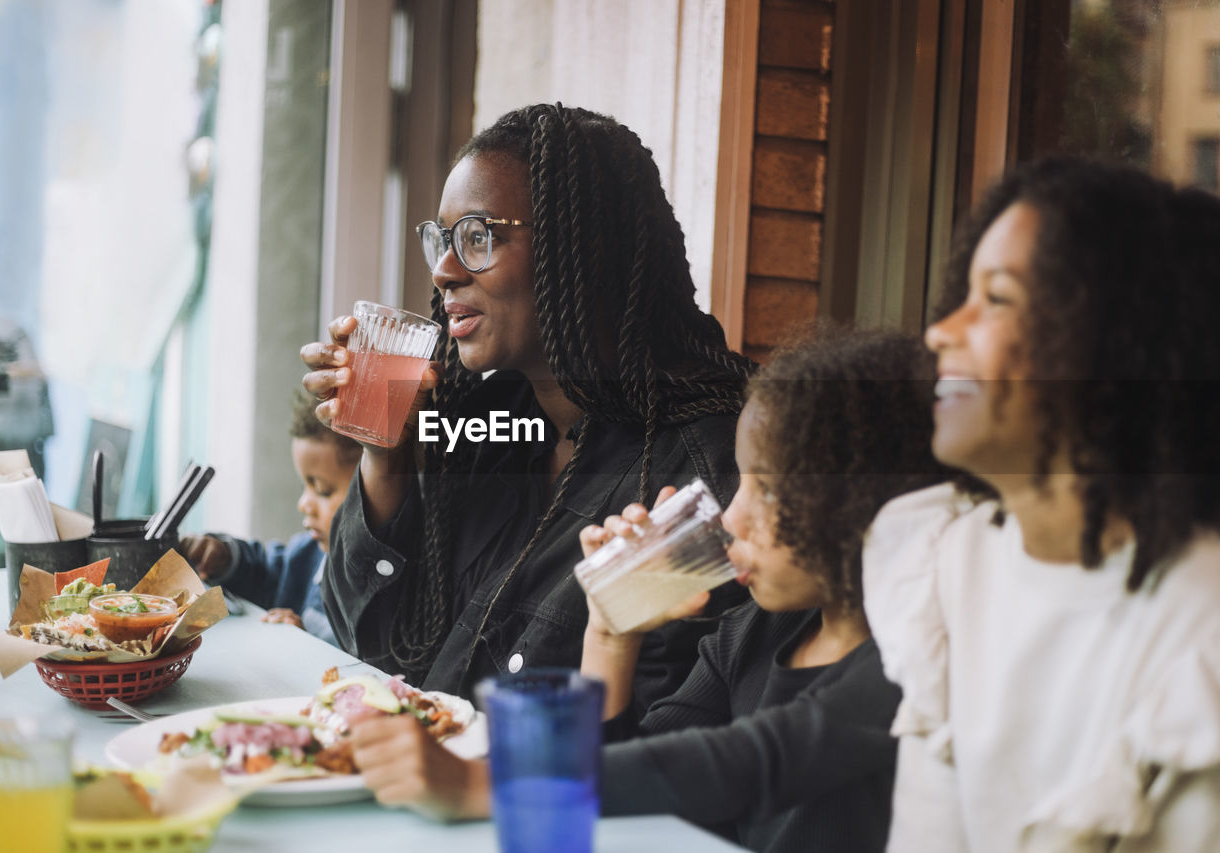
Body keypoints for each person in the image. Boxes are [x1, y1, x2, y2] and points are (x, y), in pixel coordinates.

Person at [345, 328, 948, 853]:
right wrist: (611, 630)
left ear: (856, 502)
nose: (731, 518)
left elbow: (741, 764)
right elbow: (628, 788)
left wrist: (480, 787)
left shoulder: (912, 665)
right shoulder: (751, 634)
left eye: (767, 490)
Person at [301, 104, 752, 707]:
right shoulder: (480, 432)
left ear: (581, 248)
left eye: (479, 237)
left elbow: (673, 731)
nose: (443, 271)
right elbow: (377, 651)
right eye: (442, 239)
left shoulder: (699, 475)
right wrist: (386, 456)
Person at [863, 158, 1220, 851]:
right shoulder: (945, 559)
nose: (940, 331)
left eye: (996, 299)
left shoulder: (1201, 638)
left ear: (1116, 348)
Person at [179, 392, 361, 645]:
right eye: (303, 488)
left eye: (322, 490)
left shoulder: (401, 604)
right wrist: (223, 556)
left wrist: (307, 645)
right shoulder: (305, 557)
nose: (304, 504)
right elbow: (263, 571)